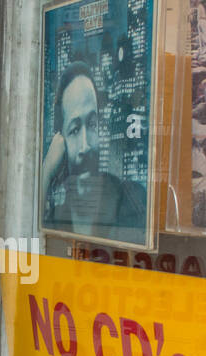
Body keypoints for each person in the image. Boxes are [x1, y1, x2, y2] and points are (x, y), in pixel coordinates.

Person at [41, 61, 146, 242]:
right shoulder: (56, 219)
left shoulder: (132, 200)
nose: (86, 145)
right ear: (60, 141)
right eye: (74, 130)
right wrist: (46, 172)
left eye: (91, 124)